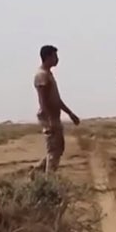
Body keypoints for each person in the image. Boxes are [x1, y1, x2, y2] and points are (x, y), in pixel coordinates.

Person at [32, 45, 79, 174]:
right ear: (48, 57)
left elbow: (56, 100)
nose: (57, 59)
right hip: (49, 118)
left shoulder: (48, 74)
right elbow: (43, 100)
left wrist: (70, 113)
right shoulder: (41, 75)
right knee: (53, 151)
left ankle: (36, 173)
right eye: (55, 56)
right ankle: (49, 181)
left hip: (54, 116)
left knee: (58, 148)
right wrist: (49, 120)